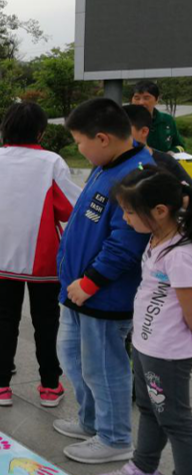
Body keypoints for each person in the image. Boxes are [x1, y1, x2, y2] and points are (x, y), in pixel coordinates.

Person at [55, 98, 154, 464]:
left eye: (79, 142)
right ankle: (92, 421)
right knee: (73, 357)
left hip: (103, 294)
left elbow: (126, 243)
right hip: (78, 290)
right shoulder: (107, 164)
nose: (78, 149)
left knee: (104, 367)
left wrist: (91, 282)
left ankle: (115, 438)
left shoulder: (136, 175)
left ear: (102, 138)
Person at [0, 102, 81, 408]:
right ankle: (50, 386)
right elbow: (70, 208)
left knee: (4, 319)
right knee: (46, 321)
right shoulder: (51, 162)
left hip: (0, 255)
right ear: (41, 132)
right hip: (43, 258)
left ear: (4, 129)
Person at [100, 167, 192, 475]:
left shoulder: (180, 253)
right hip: (145, 344)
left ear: (160, 211)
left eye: (130, 212)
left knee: (175, 420)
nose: (125, 218)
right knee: (149, 408)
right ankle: (143, 466)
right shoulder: (156, 237)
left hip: (167, 352)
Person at [123, 104, 192, 185]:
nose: (116, 134)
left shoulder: (166, 162)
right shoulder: (112, 162)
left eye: (123, 129)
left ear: (144, 131)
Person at [131, 80, 185, 153]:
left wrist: (172, 152)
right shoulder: (124, 121)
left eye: (146, 98)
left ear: (157, 100)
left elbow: (179, 145)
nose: (141, 102)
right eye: (137, 98)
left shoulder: (167, 120)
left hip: (165, 160)